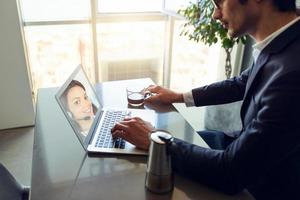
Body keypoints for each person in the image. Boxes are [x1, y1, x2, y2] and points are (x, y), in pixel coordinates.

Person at [111, 0, 300, 199]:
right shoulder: (283, 40)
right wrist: (178, 97)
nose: (215, 15)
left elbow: (230, 171)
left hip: (260, 187)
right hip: (241, 154)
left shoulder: (292, 75)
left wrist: (154, 140)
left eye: (219, 3)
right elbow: (243, 82)